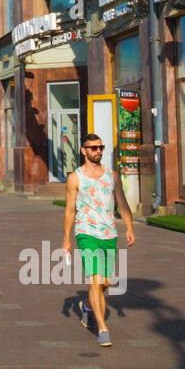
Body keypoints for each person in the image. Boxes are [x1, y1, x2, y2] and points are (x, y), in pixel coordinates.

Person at [63, 133, 136, 349]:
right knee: (96, 280)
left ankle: (86, 306)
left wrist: (129, 227)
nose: (98, 151)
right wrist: (66, 239)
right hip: (85, 233)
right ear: (83, 151)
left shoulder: (112, 176)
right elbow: (69, 209)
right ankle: (103, 328)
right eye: (93, 148)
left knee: (104, 282)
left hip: (109, 234)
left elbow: (121, 203)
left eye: (101, 147)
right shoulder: (75, 178)